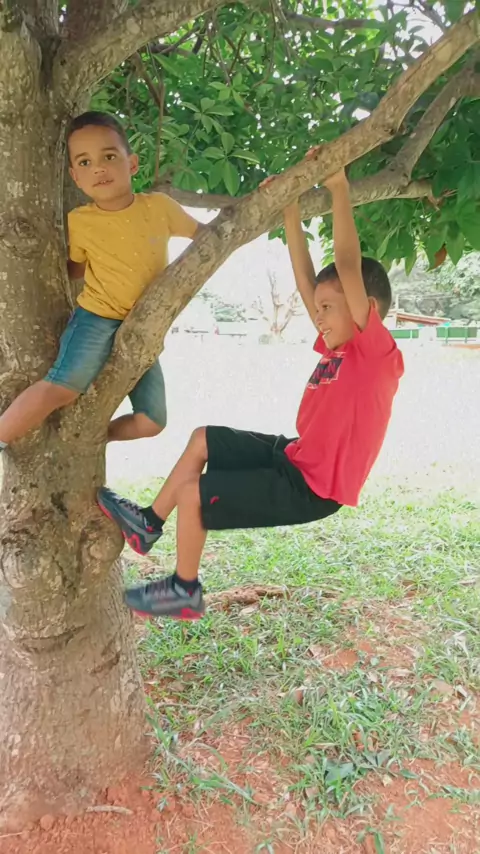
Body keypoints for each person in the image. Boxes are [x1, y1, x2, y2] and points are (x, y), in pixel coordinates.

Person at [98, 165, 404, 621]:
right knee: (203, 438)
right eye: (317, 308)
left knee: (195, 494)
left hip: (312, 489)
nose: (317, 316)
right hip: (295, 457)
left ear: (368, 309)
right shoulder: (336, 344)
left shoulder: (376, 355)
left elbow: (346, 264)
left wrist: (339, 189)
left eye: (327, 308)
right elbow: (306, 279)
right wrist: (290, 207)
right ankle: (148, 524)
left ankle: (184, 590)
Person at [0, 111, 201, 454]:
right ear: (76, 177)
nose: (98, 168)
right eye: (85, 162)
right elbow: (76, 269)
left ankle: (91, 436)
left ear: (131, 163)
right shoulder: (80, 221)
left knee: (152, 421)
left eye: (109, 156)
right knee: (63, 388)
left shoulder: (160, 207)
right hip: (96, 318)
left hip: (144, 327)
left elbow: (213, 237)